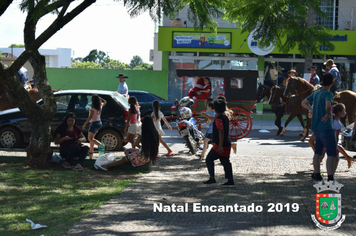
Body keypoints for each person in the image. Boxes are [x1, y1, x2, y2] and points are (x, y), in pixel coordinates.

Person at [301, 74, 338, 182]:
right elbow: (327, 105)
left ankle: (317, 173)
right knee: (331, 154)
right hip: (326, 127)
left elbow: (303, 102)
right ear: (332, 83)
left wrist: (312, 109)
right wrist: (327, 114)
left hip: (316, 127)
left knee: (317, 152)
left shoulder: (316, 93)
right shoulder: (328, 94)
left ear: (321, 81)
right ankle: (330, 177)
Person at [203, 99, 234, 187]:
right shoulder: (225, 117)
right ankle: (230, 179)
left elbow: (221, 132)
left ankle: (212, 177)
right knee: (225, 161)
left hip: (220, 144)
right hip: (227, 143)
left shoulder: (218, 119)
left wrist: (220, 146)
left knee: (209, 159)